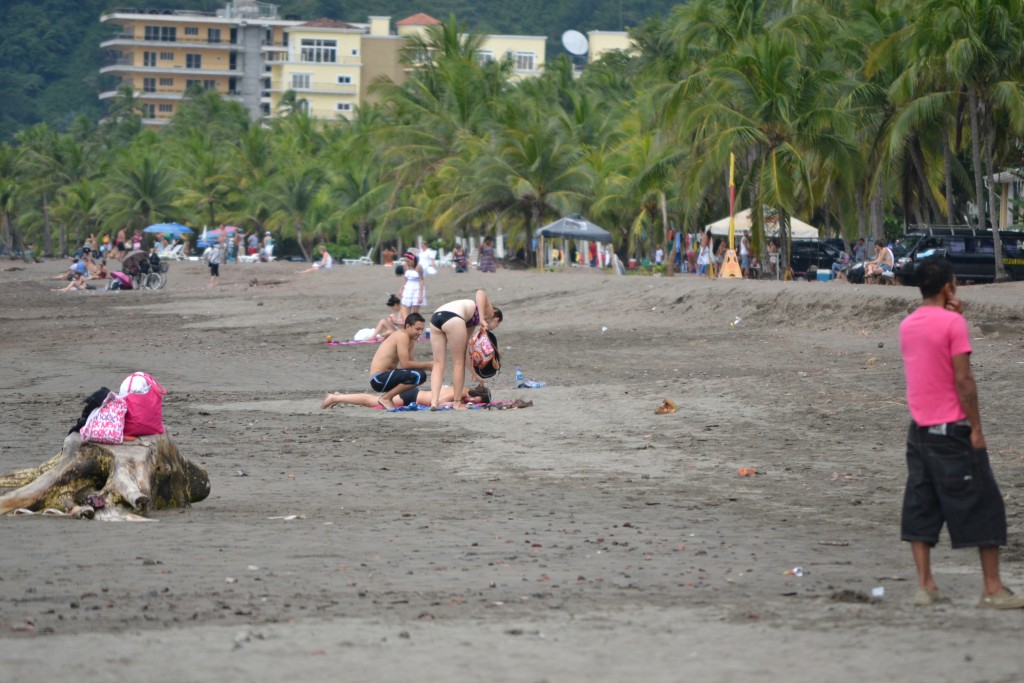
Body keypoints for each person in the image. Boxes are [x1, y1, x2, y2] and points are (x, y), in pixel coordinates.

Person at [898, 259, 1024, 609]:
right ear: (947, 288)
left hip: (919, 429)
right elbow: (963, 380)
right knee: (985, 503)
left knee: (921, 503)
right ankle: (993, 588)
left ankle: (925, 585)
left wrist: (955, 314)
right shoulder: (954, 323)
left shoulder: (907, 325)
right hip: (952, 429)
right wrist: (977, 429)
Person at [428, 289, 502, 411]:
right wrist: (483, 318)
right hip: (454, 317)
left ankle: (434, 402)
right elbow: (480, 293)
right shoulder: (489, 313)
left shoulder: (470, 323)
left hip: (436, 317)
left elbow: (466, 350)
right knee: (458, 362)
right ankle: (457, 403)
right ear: (496, 319)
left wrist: (474, 373)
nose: (494, 328)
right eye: (497, 325)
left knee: (438, 363)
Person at [366, 313, 432, 409]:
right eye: (417, 329)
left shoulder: (411, 339)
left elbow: (411, 365)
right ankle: (386, 398)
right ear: (408, 326)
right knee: (418, 375)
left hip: (386, 376)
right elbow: (406, 364)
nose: (420, 333)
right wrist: (430, 364)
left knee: (419, 375)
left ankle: (388, 398)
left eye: (422, 329)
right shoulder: (402, 336)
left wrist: (430, 367)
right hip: (378, 379)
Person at [322, 384, 491, 410]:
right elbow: (438, 402)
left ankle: (339, 396)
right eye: (473, 400)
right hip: (412, 396)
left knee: (373, 399)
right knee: (372, 401)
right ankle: (335, 398)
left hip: (413, 395)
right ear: (473, 393)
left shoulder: (460, 389)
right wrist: (458, 404)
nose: (470, 402)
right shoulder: (460, 392)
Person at [399, 251, 425, 321]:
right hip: (408, 287)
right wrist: (401, 289)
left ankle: (415, 323)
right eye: (405, 261)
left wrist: (420, 294)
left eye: (408, 261)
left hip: (417, 286)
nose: (407, 262)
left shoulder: (418, 267)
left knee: (415, 309)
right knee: (407, 307)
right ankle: (408, 323)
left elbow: (421, 279)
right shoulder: (405, 266)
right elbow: (405, 278)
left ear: (413, 260)